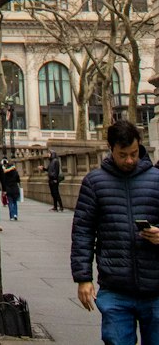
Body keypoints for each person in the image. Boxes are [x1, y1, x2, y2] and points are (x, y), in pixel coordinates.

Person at [71, 118, 159, 344]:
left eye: (134, 153)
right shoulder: (94, 182)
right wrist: (83, 278)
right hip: (115, 287)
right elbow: (83, 231)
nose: (130, 160)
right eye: (123, 155)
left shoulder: (156, 180)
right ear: (111, 149)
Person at [0, 153, 22, 222]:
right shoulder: (15, 172)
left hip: (8, 189)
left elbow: (3, 181)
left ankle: (11, 216)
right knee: (15, 202)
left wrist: (4, 190)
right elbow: (18, 180)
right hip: (15, 188)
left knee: (10, 202)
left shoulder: (5, 173)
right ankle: (15, 214)